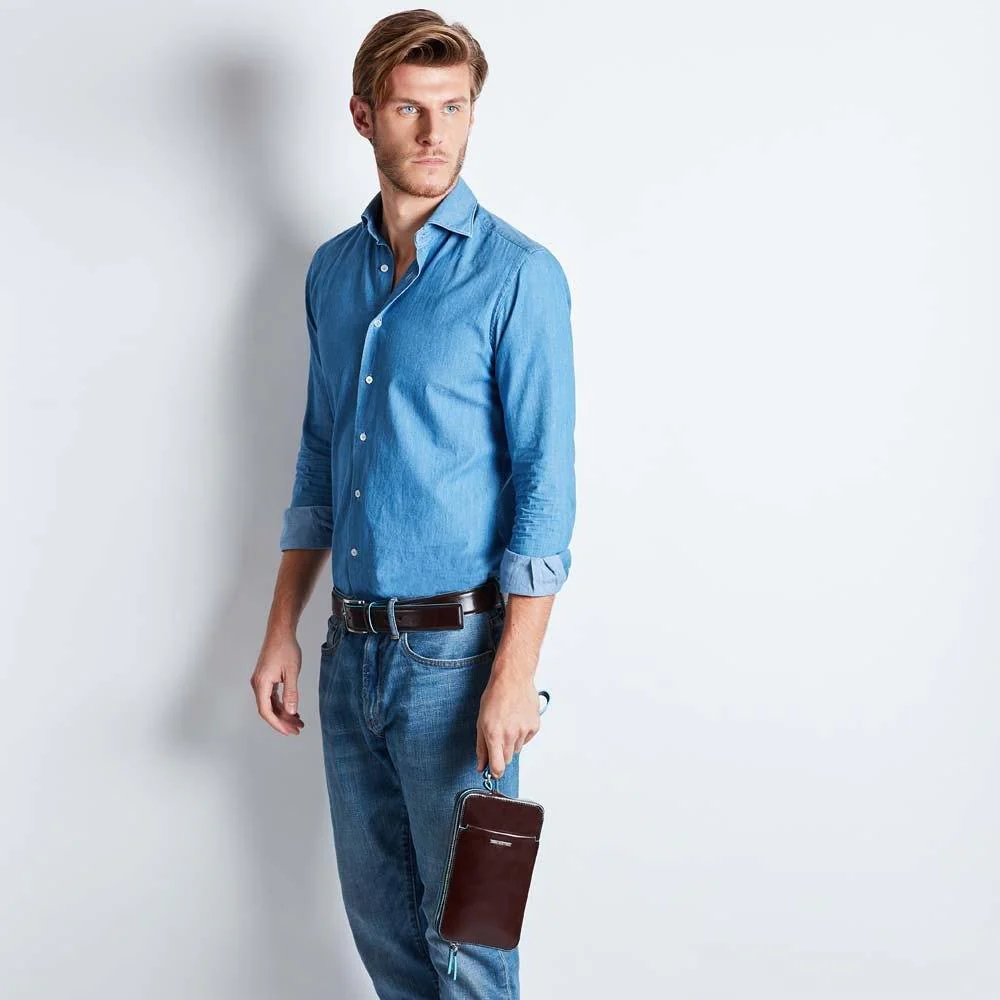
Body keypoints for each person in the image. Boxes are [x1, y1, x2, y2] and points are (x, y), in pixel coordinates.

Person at [250, 9, 575, 998]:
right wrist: (281, 629)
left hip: (457, 666)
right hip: (349, 658)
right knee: (387, 939)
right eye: (409, 109)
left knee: (470, 949)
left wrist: (515, 674)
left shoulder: (518, 277)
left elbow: (545, 483)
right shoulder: (331, 272)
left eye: (454, 107)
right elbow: (319, 454)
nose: (435, 133)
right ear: (363, 116)